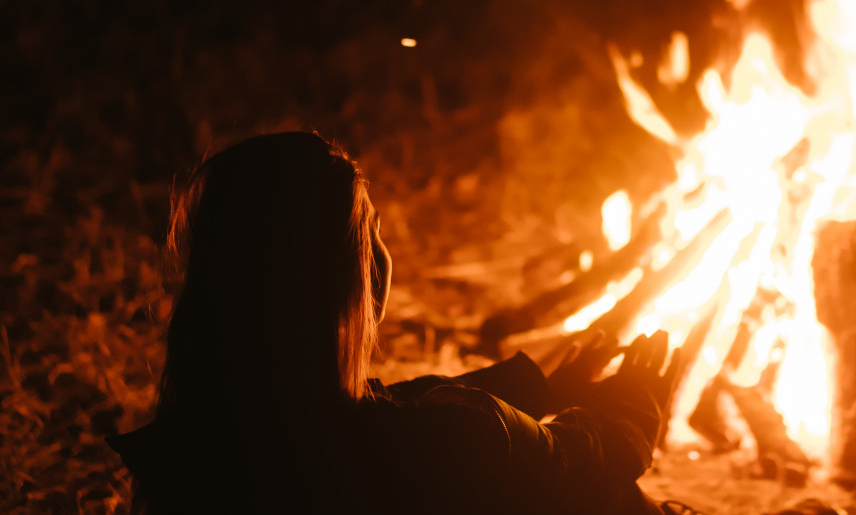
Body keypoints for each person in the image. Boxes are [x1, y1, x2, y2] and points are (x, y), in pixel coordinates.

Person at [107, 131, 683, 514]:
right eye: (371, 235)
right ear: (347, 280)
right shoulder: (431, 445)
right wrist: (634, 405)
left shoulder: (194, 452)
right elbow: (576, 463)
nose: (383, 254)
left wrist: (538, 386)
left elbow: (384, 405)